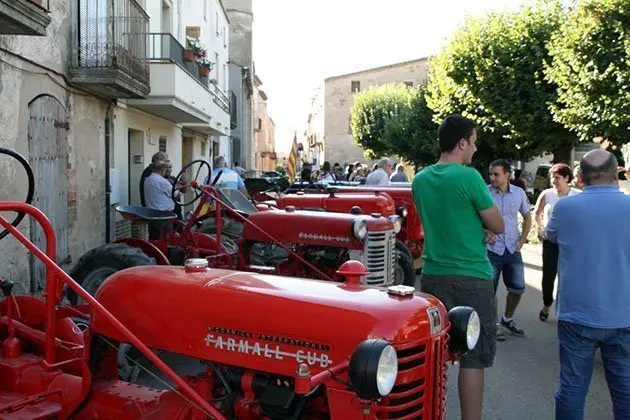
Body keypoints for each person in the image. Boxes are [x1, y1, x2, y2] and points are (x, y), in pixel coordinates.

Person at [412, 114, 504, 420]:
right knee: (473, 359)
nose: (475, 149)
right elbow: (498, 224)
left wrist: (477, 229)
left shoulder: (421, 180)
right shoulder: (469, 177)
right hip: (472, 277)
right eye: (474, 142)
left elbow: (446, 222)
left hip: (434, 276)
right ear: (462, 143)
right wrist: (484, 230)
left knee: (436, 355)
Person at [546, 149, 630, 420]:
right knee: (626, 392)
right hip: (623, 314)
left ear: (580, 177)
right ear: (616, 174)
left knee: (572, 389)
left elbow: (552, 237)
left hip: (577, 314)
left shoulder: (565, 207)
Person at [487, 159, 532, 341]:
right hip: (492, 248)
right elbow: (474, 216)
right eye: (490, 174)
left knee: (518, 288)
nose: (492, 178)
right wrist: (484, 230)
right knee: (489, 289)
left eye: (496, 174)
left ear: (507, 175)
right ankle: (493, 323)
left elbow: (527, 217)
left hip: (513, 248)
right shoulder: (485, 192)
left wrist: (522, 240)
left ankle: (507, 318)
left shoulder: (519, 193)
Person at [533, 163, 580, 321]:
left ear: (567, 178)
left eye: (557, 177)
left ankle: (565, 309)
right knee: (548, 276)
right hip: (550, 242)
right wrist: (540, 229)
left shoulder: (576, 196)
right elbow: (537, 214)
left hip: (570, 243)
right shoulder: (547, 195)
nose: (553, 180)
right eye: (552, 177)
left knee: (568, 277)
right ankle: (547, 304)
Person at [144, 159, 176, 239]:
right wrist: (177, 188)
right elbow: (176, 195)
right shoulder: (162, 181)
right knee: (166, 239)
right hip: (164, 216)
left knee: (154, 238)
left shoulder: (148, 180)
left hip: (152, 214)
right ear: (163, 169)